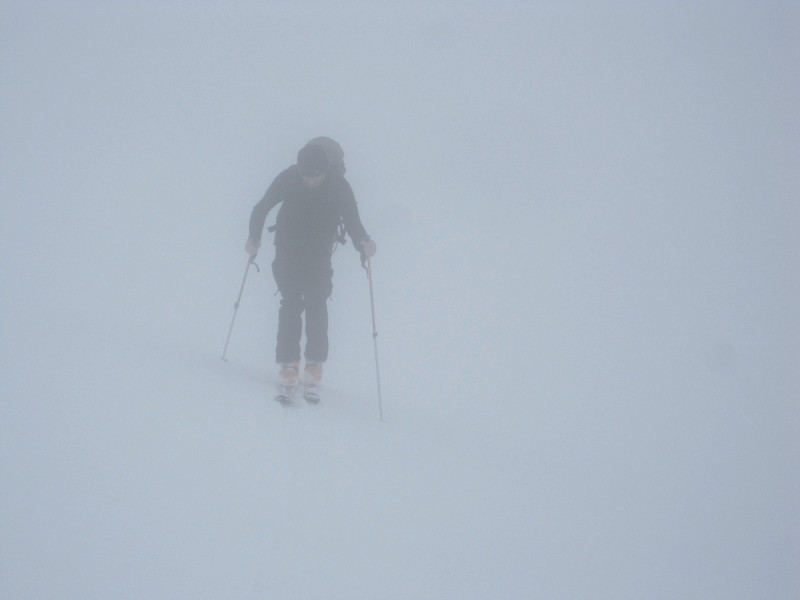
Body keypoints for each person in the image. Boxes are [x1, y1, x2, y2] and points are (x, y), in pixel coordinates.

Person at [245, 138, 376, 403]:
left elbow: (352, 221)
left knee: (317, 303)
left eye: (315, 176)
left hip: (318, 253)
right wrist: (253, 238)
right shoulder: (290, 178)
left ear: (326, 171)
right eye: (306, 176)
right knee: (291, 303)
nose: (310, 181)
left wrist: (363, 242)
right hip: (287, 248)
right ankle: (289, 366)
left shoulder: (339, 186)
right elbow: (261, 208)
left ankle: (314, 367)